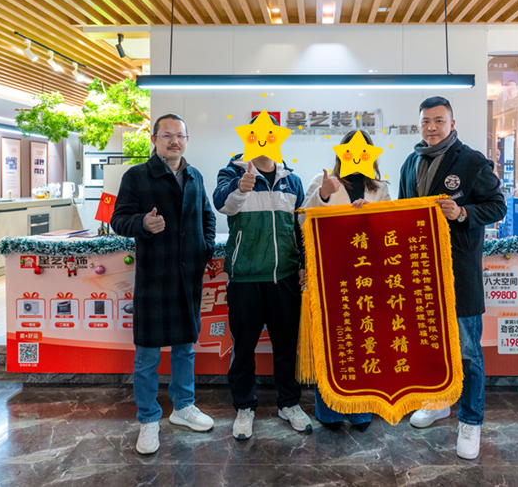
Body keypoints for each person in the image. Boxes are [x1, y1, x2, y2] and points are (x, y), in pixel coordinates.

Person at [399, 96, 506, 460]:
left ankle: (470, 421)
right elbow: (400, 212)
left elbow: (497, 206)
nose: (431, 127)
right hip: (421, 272)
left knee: (468, 352)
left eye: (438, 121)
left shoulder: (472, 161)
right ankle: (438, 401)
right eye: (425, 121)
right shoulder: (410, 163)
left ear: (452, 123)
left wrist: (462, 212)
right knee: (430, 345)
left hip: (460, 273)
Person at [110, 113, 217, 455]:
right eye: (167, 135)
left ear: (186, 140)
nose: (174, 141)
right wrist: (143, 222)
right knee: (147, 355)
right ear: (154, 139)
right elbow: (118, 220)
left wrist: (204, 248)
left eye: (180, 135)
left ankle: (183, 407)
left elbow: (207, 216)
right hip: (155, 277)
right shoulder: (137, 176)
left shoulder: (194, 175)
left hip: (188, 276)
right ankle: (148, 419)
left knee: (185, 348)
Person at [213, 114, 312, 440]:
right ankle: (244, 407)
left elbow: (301, 227)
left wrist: (303, 262)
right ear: (248, 138)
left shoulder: (292, 180)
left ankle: (289, 403)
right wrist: (240, 188)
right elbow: (222, 205)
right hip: (245, 278)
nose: (265, 140)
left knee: (286, 346)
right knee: (244, 348)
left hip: (285, 278)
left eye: (271, 135)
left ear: (278, 139)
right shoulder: (233, 172)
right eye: (257, 135)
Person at [302, 130, 391, 433]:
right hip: (330, 275)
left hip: (366, 278)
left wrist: (372, 215)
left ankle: (361, 411)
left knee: (366, 343)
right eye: (350, 151)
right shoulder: (323, 180)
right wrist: (324, 195)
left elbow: (389, 231)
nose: (356, 156)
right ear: (341, 153)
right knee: (331, 343)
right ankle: (329, 412)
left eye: (364, 151)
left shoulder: (380, 188)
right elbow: (302, 222)